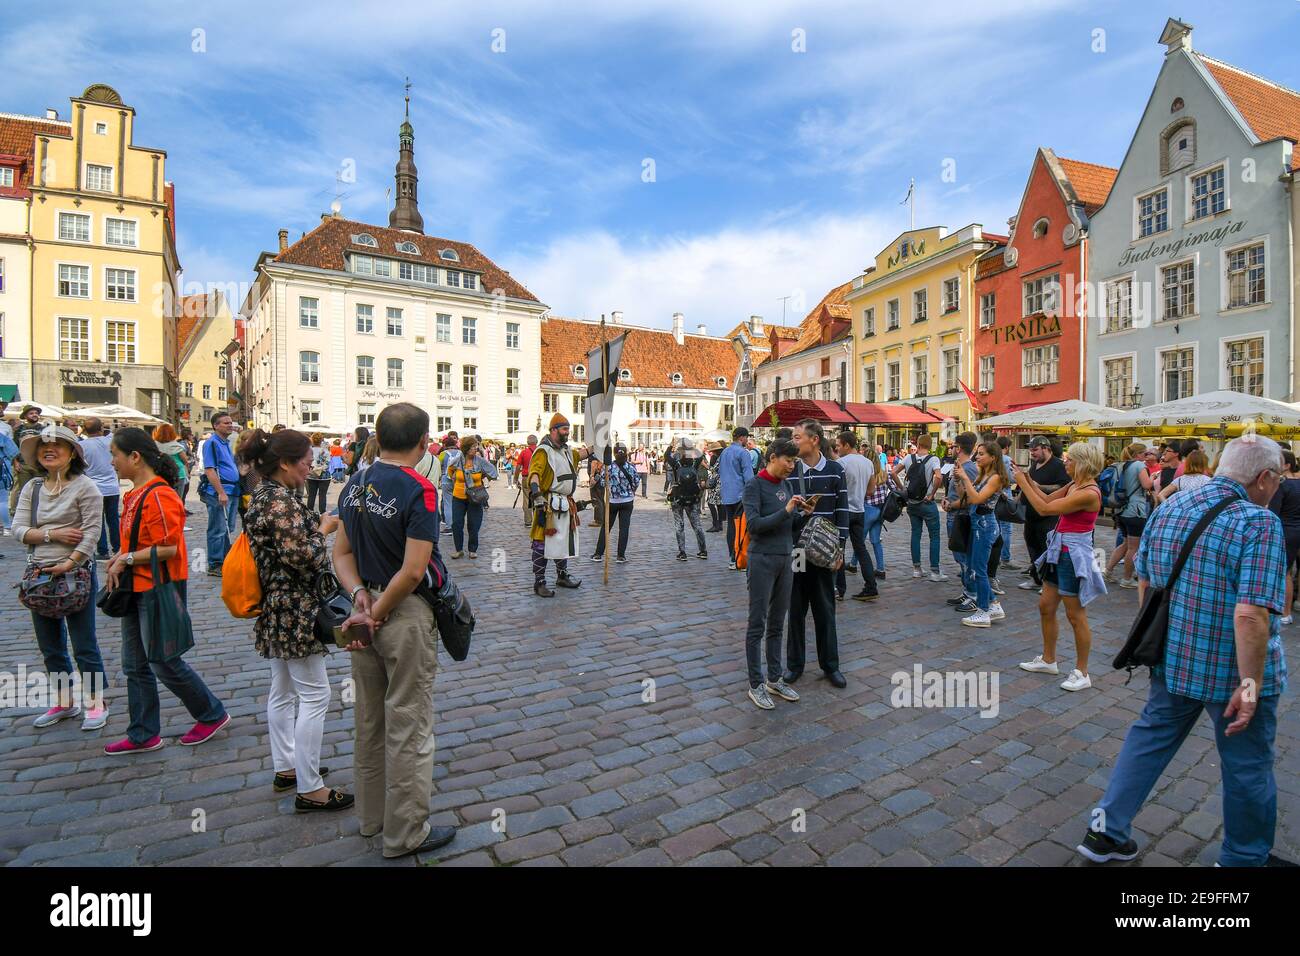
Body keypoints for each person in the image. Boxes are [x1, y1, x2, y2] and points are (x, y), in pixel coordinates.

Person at [1078, 436, 1292, 868]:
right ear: (1264, 477)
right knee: (1247, 764)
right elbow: (1250, 615)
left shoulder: (1170, 507)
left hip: (1175, 658)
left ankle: (1107, 830)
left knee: (1150, 738)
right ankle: (1244, 858)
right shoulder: (1258, 522)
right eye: (1279, 479)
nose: (1278, 487)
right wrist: (1250, 683)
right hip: (1231, 670)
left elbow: (1147, 582)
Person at [332, 402, 456, 858]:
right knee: (409, 722)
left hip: (364, 610)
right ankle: (405, 833)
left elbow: (340, 554)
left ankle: (372, 819)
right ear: (424, 442)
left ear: (378, 439)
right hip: (401, 615)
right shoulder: (420, 490)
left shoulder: (355, 483)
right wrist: (379, 608)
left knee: (369, 720)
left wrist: (360, 595)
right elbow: (413, 570)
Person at [240, 428, 352, 812]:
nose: (311, 465)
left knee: (283, 690)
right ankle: (311, 787)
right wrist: (323, 528)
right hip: (295, 609)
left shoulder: (270, 496)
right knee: (315, 695)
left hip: (279, 606)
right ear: (285, 462)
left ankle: (288, 767)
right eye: (306, 459)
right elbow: (304, 557)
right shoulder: (279, 502)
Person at [103, 428, 229, 754]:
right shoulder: (135, 493)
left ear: (134, 457)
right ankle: (143, 733)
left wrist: (126, 558)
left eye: (115, 454)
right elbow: (137, 541)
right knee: (134, 664)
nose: (112, 461)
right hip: (137, 586)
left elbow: (170, 548)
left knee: (162, 660)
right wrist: (120, 556)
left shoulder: (159, 495)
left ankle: (211, 713)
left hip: (158, 586)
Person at [13, 424, 107, 730]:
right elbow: (18, 529)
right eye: (43, 448)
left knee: (84, 645)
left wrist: (70, 561)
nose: (49, 451)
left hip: (76, 574)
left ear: (71, 454)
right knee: (50, 646)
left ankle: (96, 703)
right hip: (40, 574)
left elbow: (92, 533)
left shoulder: (85, 487)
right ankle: (65, 702)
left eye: (57, 446)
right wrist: (52, 533)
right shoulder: (34, 488)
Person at [1014, 442, 1106, 692]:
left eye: (1069, 460)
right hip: (1058, 551)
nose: (1065, 463)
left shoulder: (1089, 492)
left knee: (1075, 615)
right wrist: (1029, 479)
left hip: (1073, 556)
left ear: (1082, 463)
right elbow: (1045, 497)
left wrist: (1022, 483)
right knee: (1046, 605)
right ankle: (1048, 659)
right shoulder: (1075, 485)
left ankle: (1082, 671)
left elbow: (1044, 509)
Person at [784, 419, 849, 688]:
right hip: (798, 551)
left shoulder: (835, 470)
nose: (794, 441)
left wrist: (840, 548)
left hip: (824, 552)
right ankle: (794, 665)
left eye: (798, 437)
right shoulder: (789, 471)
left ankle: (830, 665)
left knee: (825, 609)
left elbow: (843, 511)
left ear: (814, 440)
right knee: (796, 609)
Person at [741, 438, 803, 710]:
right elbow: (754, 525)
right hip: (762, 559)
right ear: (773, 457)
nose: (791, 466)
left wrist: (801, 514)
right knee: (758, 623)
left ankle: (774, 678)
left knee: (778, 623)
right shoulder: (755, 485)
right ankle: (756, 683)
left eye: (794, 461)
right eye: (788, 461)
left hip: (785, 558)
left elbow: (786, 524)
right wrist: (786, 510)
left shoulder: (787, 485)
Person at [527, 413, 591, 597]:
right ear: (554, 430)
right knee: (541, 543)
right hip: (547, 505)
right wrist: (537, 496)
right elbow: (535, 473)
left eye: (568, 429)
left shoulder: (565, 451)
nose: (567, 433)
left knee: (562, 541)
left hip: (565, 504)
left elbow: (580, 454)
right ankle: (539, 582)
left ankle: (562, 576)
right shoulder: (543, 451)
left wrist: (598, 447)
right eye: (564, 429)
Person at [950, 440, 1009, 628]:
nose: (977, 457)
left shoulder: (996, 477)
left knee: (979, 569)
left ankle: (983, 611)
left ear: (993, 457)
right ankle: (993, 605)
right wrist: (959, 480)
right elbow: (966, 497)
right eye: (978, 453)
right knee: (975, 565)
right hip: (978, 523)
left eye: (982, 454)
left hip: (985, 525)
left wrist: (965, 478)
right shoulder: (984, 474)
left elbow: (977, 499)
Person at [1019, 437, 1068, 592]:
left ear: (1045, 448)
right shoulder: (1034, 466)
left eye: (1035, 450)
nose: (1032, 453)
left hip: (1048, 514)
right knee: (1032, 545)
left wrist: (1040, 487)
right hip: (1031, 514)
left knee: (1047, 548)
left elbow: (1063, 487)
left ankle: (1048, 582)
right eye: (1031, 450)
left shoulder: (1058, 465)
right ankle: (1036, 578)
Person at [894, 434, 945, 582]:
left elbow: (893, 472)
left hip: (912, 503)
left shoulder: (909, 458)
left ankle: (917, 569)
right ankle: (935, 572)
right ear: (930, 445)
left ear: (919, 444)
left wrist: (903, 489)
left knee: (915, 534)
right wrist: (932, 494)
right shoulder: (934, 459)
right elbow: (939, 477)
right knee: (934, 536)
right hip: (927, 502)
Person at [834, 432, 878, 602]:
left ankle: (840, 588)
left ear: (846, 445)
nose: (837, 448)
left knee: (839, 550)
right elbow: (871, 490)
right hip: (860, 510)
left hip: (844, 511)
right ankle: (871, 586)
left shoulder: (841, 463)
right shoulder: (868, 462)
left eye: (838, 445)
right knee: (861, 549)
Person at [200, 411, 240, 576]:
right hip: (221, 491)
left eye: (230, 422)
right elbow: (210, 470)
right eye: (226, 423)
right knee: (217, 528)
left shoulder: (225, 442)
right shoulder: (212, 443)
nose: (230, 425)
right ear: (216, 425)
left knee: (227, 528)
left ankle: (225, 560)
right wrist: (220, 492)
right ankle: (215, 563)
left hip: (232, 490)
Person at [78, 418, 121, 562]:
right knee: (113, 519)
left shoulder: (81, 445)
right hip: (112, 487)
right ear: (101, 428)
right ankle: (118, 547)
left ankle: (102, 550)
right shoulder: (111, 441)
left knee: (98, 520)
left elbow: (80, 468)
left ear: (84, 429)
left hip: (93, 487)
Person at [448, 435, 498, 559]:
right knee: (457, 524)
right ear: (465, 448)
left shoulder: (480, 461)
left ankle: (472, 549)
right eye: (472, 447)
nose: (475, 449)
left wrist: (482, 477)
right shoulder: (457, 460)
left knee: (473, 524)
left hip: (475, 497)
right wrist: (454, 479)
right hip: (458, 497)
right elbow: (450, 471)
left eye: (476, 447)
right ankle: (459, 549)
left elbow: (493, 472)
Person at [1113, 441, 1154, 588]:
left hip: (1121, 509)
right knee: (1133, 547)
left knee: (1125, 544)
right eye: (1145, 453)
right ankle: (1127, 579)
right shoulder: (1139, 465)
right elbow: (1147, 485)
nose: (1147, 456)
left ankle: (1108, 570)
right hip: (1135, 510)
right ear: (1138, 455)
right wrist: (1154, 477)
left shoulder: (1123, 464)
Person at [591, 443, 640, 563]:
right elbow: (636, 481)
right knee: (624, 528)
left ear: (614, 453)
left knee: (606, 527)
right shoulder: (631, 467)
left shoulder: (609, 467)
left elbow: (602, 483)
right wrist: (630, 491)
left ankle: (598, 553)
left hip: (613, 501)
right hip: (627, 500)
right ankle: (621, 555)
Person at [1268, 450, 1300, 626]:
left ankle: (1286, 612)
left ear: (1286, 465)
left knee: (1285, 572)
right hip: (1297, 529)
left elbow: (1274, 511)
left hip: (1286, 531)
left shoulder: (1282, 485)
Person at [719, 427, 755, 569]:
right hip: (741, 495)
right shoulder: (743, 452)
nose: (747, 440)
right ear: (742, 437)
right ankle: (739, 558)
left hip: (727, 494)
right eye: (746, 438)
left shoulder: (725, 452)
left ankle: (732, 558)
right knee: (742, 527)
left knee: (731, 527)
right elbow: (748, 476)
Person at [669, 437, 709, 562]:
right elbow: (700, 453)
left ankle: (682, 552)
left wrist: (672, 445)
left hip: (678, 498)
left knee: (679, 525)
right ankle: (703, 551)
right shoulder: (695, 463)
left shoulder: (676, 464)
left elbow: (666, 455)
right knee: (697, 525)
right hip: (692, 498)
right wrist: (693, 448)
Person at [9, 404, 47, 515]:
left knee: (40, 489)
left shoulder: (44, 429)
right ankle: (24, 513)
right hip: (23, 465)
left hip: (39, 464)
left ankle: (39, 512)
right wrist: (15, 463)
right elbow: (14, 448)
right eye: (31, 413)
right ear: (25, 416)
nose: (35, 415)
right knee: (24, 490)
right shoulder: (19, 430)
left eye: (36, 413)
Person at [863, 456, 891, 579]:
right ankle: (880, 568)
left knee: (859, 540)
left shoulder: (867, 474)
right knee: (875, 540)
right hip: (880, 511)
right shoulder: (884, 474)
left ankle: (853, 564)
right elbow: (894, 490)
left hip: (868, 509)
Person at [995, 435, 1017, 568]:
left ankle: (994, 556)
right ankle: (1005, 558)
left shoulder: (993, 458)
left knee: (995, 527)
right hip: (1005, 492)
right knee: (1006, 528)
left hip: (992, 493)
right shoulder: (1007, 460)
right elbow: (1012, 478)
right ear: (1007, 447)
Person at [306, 433, 332, 514]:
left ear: (312, 440)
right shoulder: (326, 451)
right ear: (321, 440)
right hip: (324, 476)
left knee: (311, 495)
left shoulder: (309, 450)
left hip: (311, 475)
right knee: (322, 495)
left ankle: (309, 512)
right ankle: (322, 513)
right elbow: (327, 464)